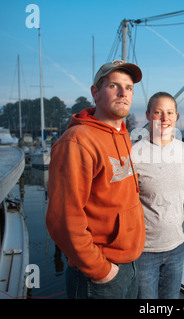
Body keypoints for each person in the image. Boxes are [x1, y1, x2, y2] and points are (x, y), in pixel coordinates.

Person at [45, 60, 145, 299]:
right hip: (100, 275)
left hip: (129, 264)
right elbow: (62, 218)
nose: (124, 93)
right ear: (95, 92)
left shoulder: (123, 135)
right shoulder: (77, 141)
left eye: (129, 87)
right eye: (114, 86)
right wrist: (100, 270)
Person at [132, 92, 184, 299]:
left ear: (176, 116)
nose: (165, 119)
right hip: (144, 252)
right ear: (148, 115)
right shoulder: (135, 154)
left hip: (176, 247)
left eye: (170, 112)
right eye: (158, 112)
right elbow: (124, 203)